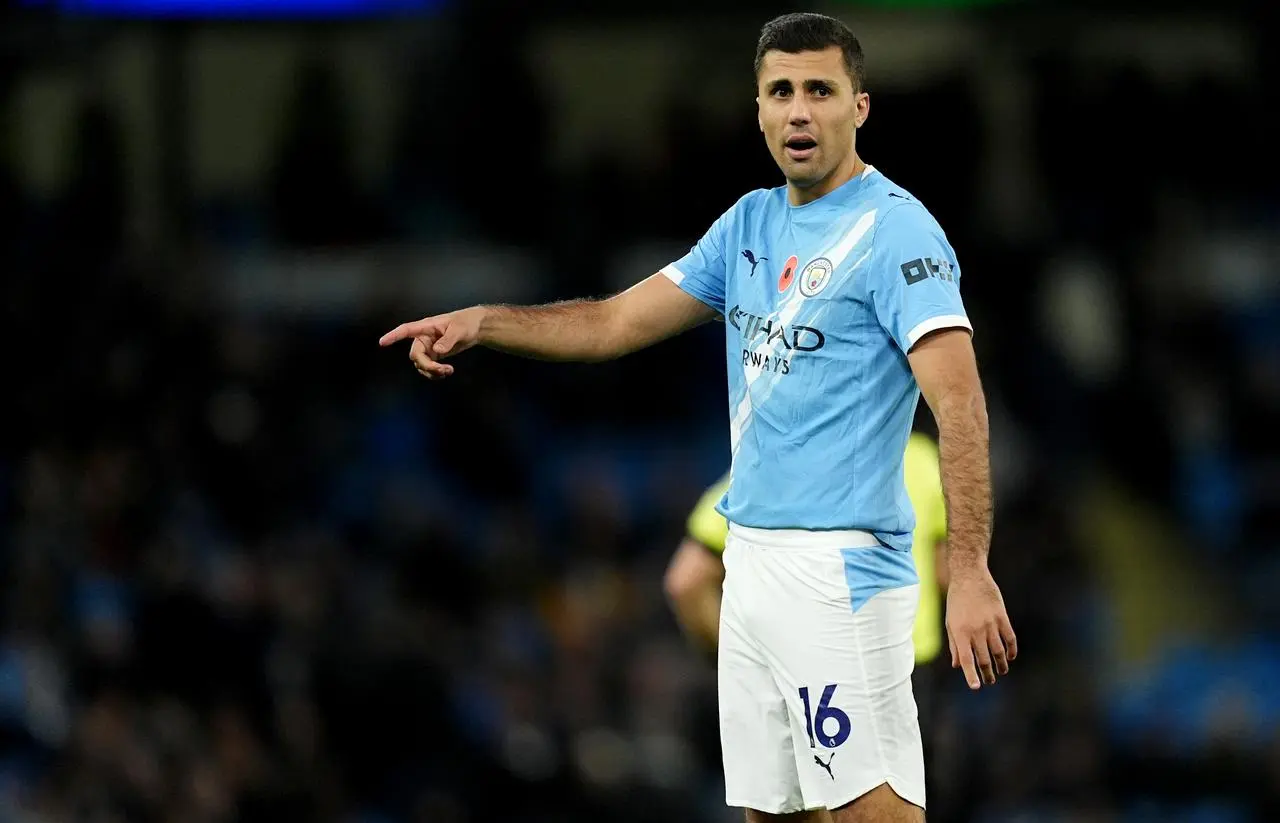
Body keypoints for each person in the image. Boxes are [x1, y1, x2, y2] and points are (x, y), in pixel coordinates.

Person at [379, 12, 1016, 822]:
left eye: (820, 90)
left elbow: (958, 403)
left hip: (841, 573)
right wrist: (487, 320)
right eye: (780, 91)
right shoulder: (747, 224)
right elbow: (612, 322)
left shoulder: (898, 232)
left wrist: (968, 570)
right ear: (756, 109)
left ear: (859, 107)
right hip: (750, 569)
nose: (798, 111)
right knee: (773, 817)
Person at [665, 429, 949, 823]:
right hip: (903, 668)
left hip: (809, 658)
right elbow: (945, 571)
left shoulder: (779, 460)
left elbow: (686, 580)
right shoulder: (921, 459)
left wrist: (745, 662)